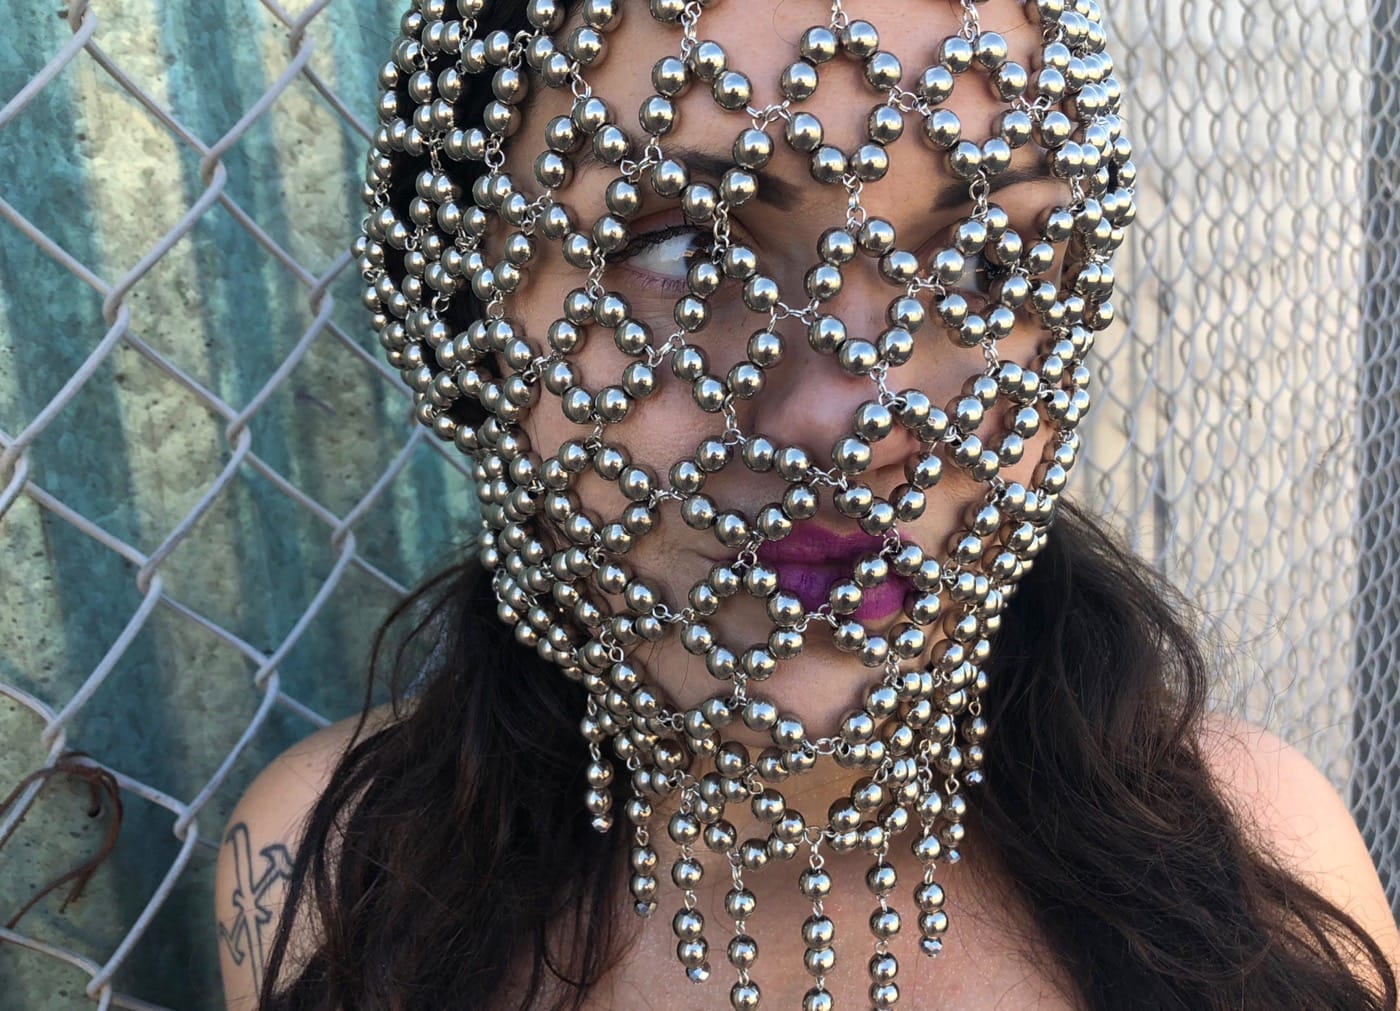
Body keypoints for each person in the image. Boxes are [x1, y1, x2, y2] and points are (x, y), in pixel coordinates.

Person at [216, 0, 1400, 1007]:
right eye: (689, 253)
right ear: (466, 310)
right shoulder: (331, 880)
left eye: (983, 265)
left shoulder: (1263, 867)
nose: (854, 421)